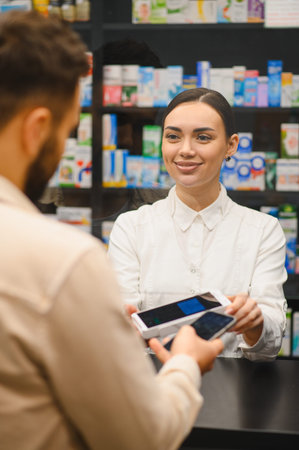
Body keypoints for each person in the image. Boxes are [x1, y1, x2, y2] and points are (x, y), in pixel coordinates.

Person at [0, 10, 224, 450]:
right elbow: (140, 438)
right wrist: (185, 364)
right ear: (39, 129)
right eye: (71, 131)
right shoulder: (61, 260)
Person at [108, 87, 288, 361]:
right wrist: (119, 328)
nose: (186, 150)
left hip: (235, 393)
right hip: (154, 387)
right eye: (173, 137)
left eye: (203, 137)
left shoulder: (262, 230)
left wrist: (256, 323)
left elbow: (269, 344)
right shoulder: (132, 228)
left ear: (231, 145)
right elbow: (120, 325)